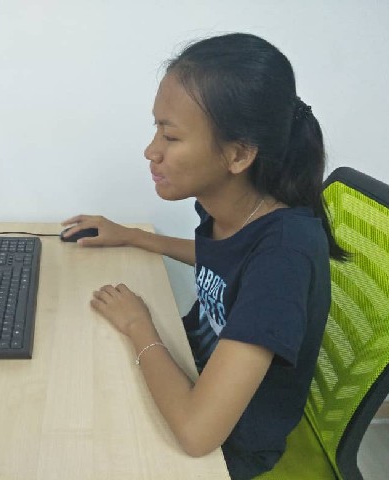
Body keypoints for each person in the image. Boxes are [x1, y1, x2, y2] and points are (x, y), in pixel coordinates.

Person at [61, 33, 347, 479]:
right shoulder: (231, 206)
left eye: (171, 136)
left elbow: (197, 435)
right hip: (191, 373)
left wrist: (138, 325)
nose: (151, 151)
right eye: (156, 128)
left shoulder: (283, 257)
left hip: (229, 446)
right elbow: (226, 259)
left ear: (238, 155)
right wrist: (133, 237)